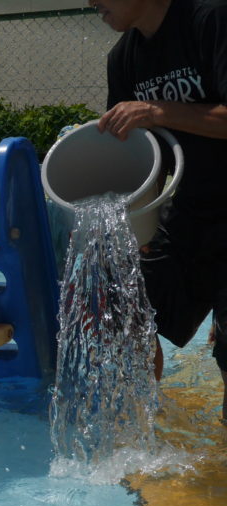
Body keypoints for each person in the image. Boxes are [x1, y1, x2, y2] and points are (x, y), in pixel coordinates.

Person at [92, 0, 227, 419]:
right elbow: (139, 158)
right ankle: (143, 429)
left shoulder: (212, 20)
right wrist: (137, 232)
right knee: (126, 309)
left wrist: (158, 110)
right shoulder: (123, 59)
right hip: (189, 209)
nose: (91, 1)